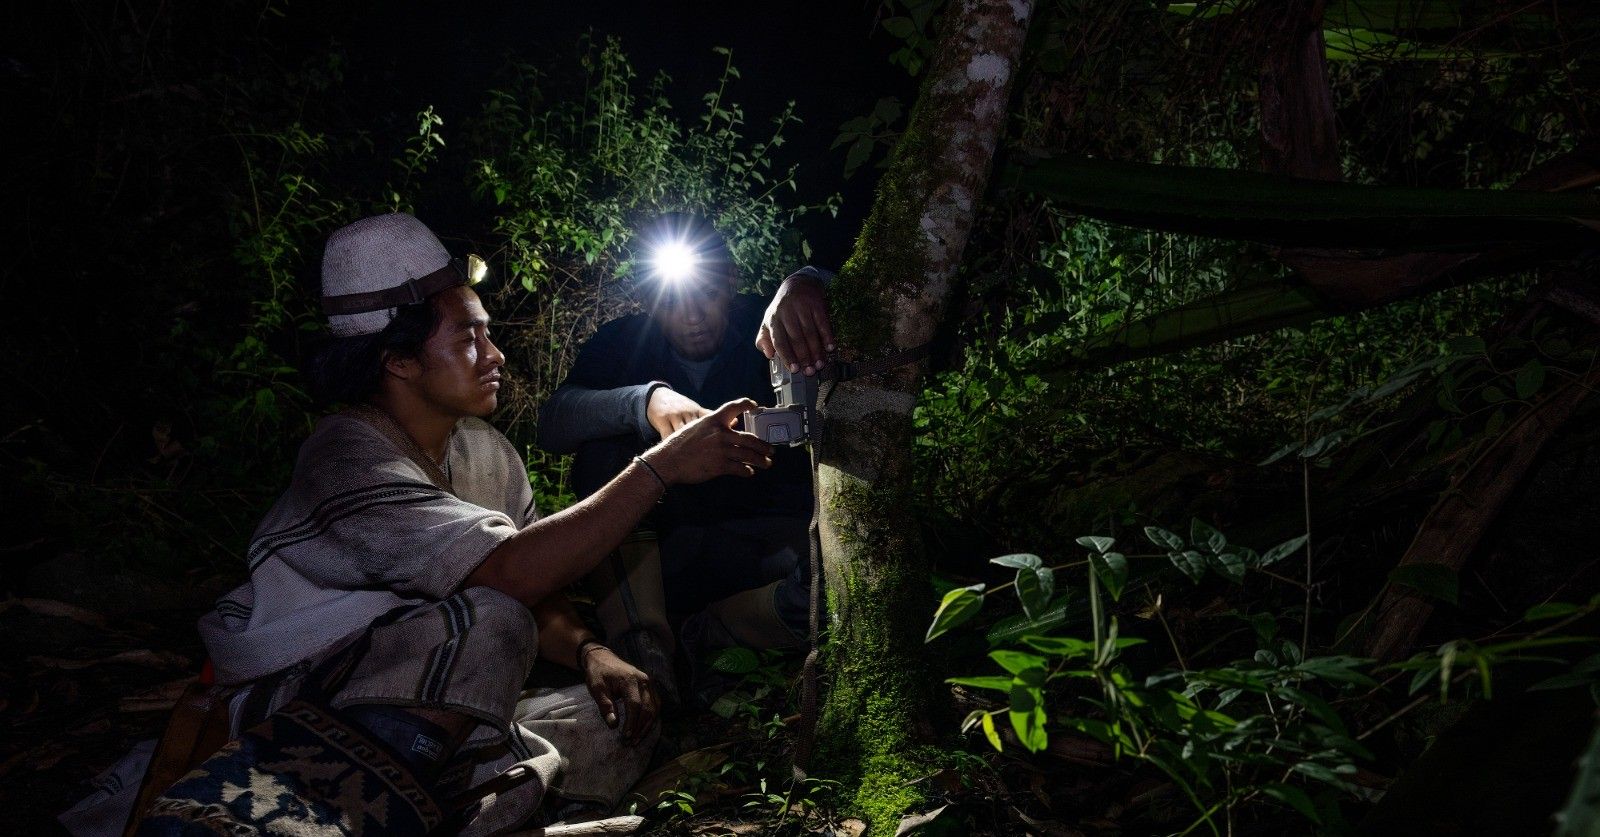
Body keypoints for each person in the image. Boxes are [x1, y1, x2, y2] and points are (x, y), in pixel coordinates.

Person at [175, 213, 775, 835]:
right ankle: (341, 814)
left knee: (619, 716)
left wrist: (590, 651)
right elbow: (509, 576)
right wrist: (661, 467)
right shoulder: (346, 456)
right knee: (490, 620)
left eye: (487, 334)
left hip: (434, 706)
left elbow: (537, 591)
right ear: (399, 360)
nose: (495, 355)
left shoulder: (486, 452)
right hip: (306, 704)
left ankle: (445, 806)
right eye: (468, 339)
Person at [536, 213, 835, 704]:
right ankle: (645, 654)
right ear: (648, 298)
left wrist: (809, 281)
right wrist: (645, 402)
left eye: (707, 295)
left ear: (731, 282)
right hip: (660, 556)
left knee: (835, 591)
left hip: (768, 548)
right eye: (672, 302)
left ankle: (708, 635)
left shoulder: (768, 322)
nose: (692, 316)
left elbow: (879, 306)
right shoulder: (622, 342)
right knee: (600, 449)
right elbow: (553, 422)